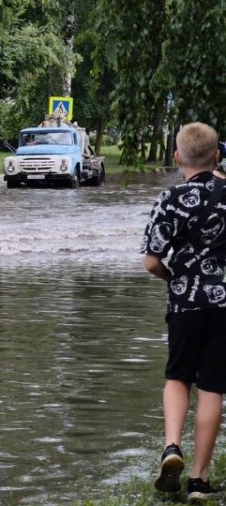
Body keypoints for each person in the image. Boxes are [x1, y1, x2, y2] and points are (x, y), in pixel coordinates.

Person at [142, 122, 226, 499]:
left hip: (185, 302)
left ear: (177, 157)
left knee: (178, 377)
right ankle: (199, 481)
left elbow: (151, 262)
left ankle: (172, 446)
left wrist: (172, 277)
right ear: (217, 155)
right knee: (212, 388)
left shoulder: (170, 198)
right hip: (224, 304)